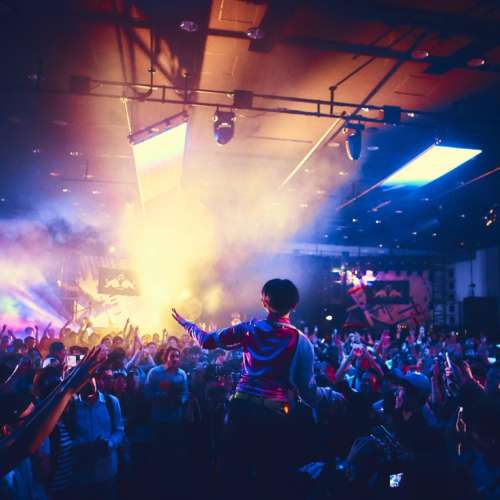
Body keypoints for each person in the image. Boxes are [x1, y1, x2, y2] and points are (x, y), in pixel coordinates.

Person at [172, 278, 344, 500]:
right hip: (273, 416)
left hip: (239, 412)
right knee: (269, 482)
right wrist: (332, 395)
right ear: (294, 305)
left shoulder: (249, 329)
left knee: (233, 480)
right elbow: (308, 392)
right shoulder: (301, 342)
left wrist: (188, 325)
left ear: (264, 303)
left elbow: (206, 341)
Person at [69, 375, 125, 499]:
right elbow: (67, 437)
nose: (86, 383)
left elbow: (119, 430)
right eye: (82, 380)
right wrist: (83, 447)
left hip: (107, 470)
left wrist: (108, 444)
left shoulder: (111, 402)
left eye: (89, 379)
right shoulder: (72, 406)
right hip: (82, 472)